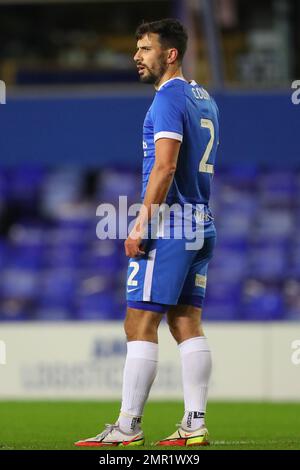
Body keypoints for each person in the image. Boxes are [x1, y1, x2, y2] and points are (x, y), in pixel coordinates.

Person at [75, 17, 219, 448]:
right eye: (137, 48)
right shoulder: (204, 98)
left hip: (171, 224)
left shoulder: (166, 101)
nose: (136, 56)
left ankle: (128, 426)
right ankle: (194, 424)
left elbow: (166, 166)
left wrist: (140, 222)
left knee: (138, 322)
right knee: (186, 322)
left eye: (145, 48)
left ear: (170, 54)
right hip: (201, 223)